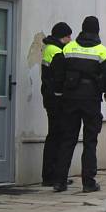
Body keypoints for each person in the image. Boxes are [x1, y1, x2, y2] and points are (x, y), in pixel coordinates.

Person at [52, 16, 106, 193]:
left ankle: (59, 181)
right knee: (90, 141)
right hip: (91, 101)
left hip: (70, 100)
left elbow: (58, 75)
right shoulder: (103, 52)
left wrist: (59, 96)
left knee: (67, 140)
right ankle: (88, 182)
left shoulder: (68, 48)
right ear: (97, 31)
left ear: (82, 29)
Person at [41, 22, 72, 187]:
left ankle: (48, 174)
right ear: (62, 36)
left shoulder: (49, 48)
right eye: (68, 36)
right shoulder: (57, 52)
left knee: (52, 135)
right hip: (57, 100)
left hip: (49, 98)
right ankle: (53, 175)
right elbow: (60, 78)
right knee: (58, 136)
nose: (70, 39)